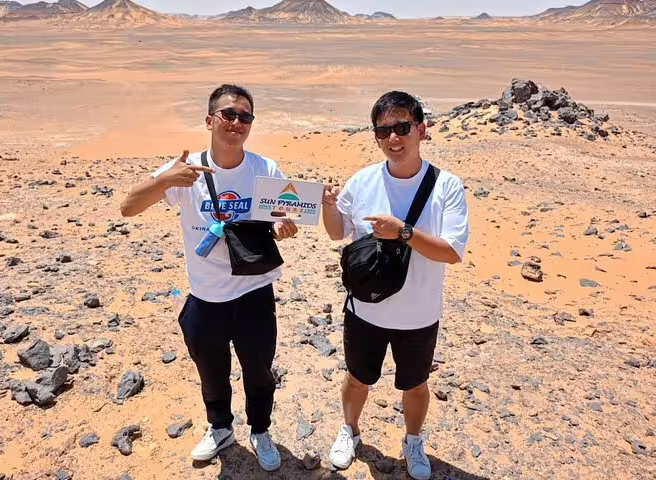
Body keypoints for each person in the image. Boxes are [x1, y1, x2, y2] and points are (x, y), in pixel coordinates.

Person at [120, 84, 298, 472]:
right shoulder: (185, 170)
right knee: (211, 371)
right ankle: (220, 427)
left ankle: (261, 430)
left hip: (254, 291)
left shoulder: (264, 169)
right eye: (228, 114)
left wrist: (284, 225)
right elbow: (127, 207)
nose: (236, 123)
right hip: (205, 296)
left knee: (259, 370)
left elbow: (284, 214)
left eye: (245, 116)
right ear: (209, 120)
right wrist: (165, 179)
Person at [322, 91, 469, 480]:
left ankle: (413, 441)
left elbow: (451, 252)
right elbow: (339, 233)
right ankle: (350, 431)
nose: (393, 138)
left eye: (402, 127)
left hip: (419, 314)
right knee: (357, 379)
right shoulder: (363, 180)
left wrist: (403, 232)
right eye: (383, 130)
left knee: (416, 384)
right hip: (365, 309)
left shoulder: (446, 186)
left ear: (421, 129)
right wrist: (327, 207)